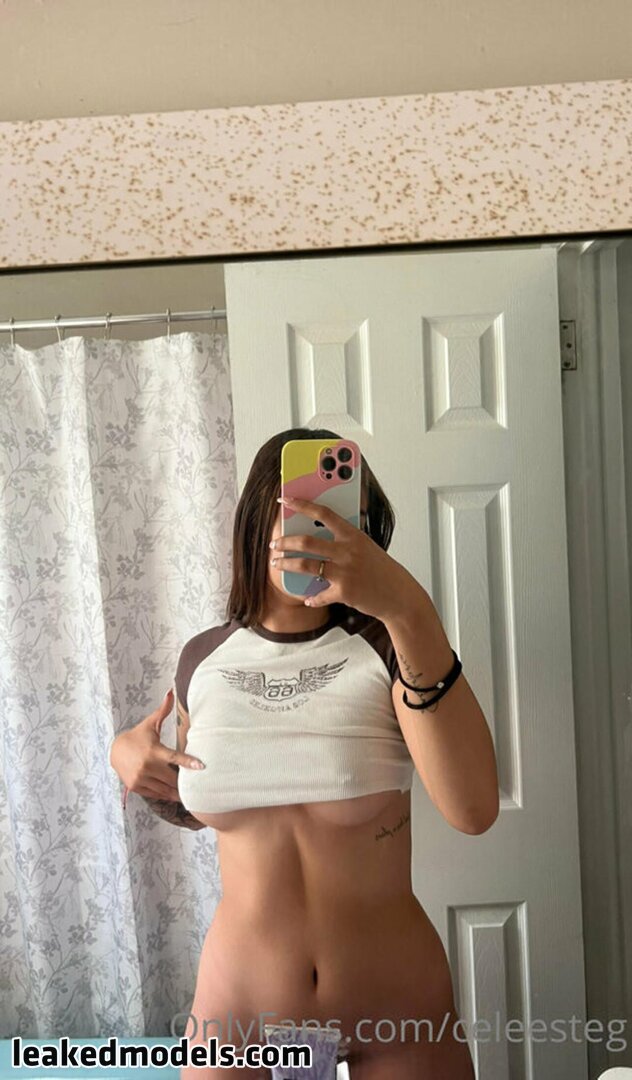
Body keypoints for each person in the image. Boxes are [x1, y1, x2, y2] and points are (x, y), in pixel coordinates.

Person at [110, 427, 499, 1079]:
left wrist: (405, 606)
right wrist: (133, 766)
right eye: (303, 511)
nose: (323, 532)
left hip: (398, 1010)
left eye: (343, 518)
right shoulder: (202, 661)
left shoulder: (390, 645)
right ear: (259, 518)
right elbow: (208, 802)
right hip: (239, 1010)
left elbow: (473, 809)